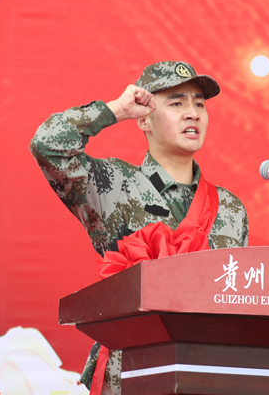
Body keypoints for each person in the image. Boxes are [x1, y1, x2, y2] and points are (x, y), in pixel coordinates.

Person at [30, 61, 248, 394]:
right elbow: (47, 145)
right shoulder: (112, 184)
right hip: (130, 373)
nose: (192, 113)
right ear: (144, 118)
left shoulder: (231, 208)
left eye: (199, 104)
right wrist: (116, 110)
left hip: (206, 375)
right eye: (176, 103)